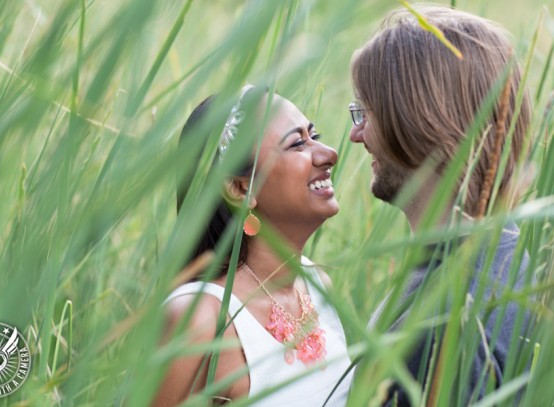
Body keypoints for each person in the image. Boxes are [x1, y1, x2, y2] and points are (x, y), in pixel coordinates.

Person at [348, 5, 533, 406]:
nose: (355, 134)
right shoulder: (516, 258)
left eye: (366, 112)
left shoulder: (441, 325)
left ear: (419, 121)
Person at [154, 85, 352, 406]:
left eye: (315, 135)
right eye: (297, 143)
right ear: (239, 188)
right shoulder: (200, 320)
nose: (329, 153)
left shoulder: (317, 285)